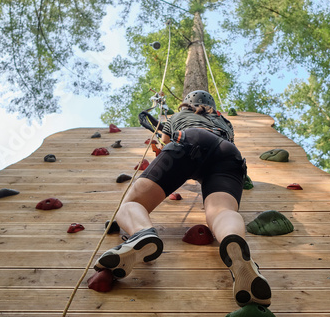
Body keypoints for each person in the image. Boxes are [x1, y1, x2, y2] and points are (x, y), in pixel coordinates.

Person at [94, 90, 271, 307]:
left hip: (189, 140)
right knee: (222, 211)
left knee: (133, 203)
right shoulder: (224, 121)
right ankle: (236, 245)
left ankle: (141, 234)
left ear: (187, 103)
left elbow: (166, 141)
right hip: (229, 155)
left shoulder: (178, 116)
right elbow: (219, 144)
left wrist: (161, 145)